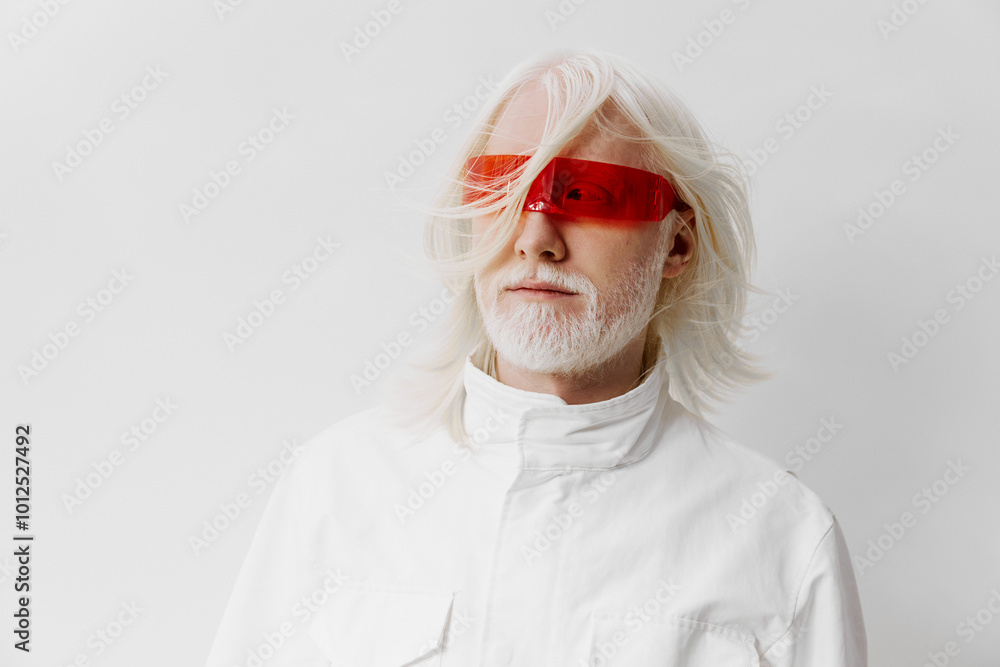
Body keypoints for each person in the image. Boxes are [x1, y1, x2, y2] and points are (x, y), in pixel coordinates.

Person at [205, 49, 867, 666]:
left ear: (677, 243)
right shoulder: (336, 487)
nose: (535, 237)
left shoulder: (781, 537)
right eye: (504, 190)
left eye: (589, 195)